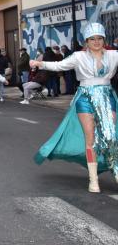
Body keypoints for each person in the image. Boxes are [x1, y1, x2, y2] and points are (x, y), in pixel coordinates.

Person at [30, 23, 118, 193]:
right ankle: (94, 180)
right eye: (92, 39)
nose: (96, 42)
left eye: (99, 38)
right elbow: (59, 66)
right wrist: (40, 64)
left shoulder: (114, 55)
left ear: (104, 39)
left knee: (111, 136)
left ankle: (116, 171)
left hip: (107, 96)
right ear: (86, 41)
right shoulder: (78, 57)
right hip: (85, 98)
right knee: (90, 138)